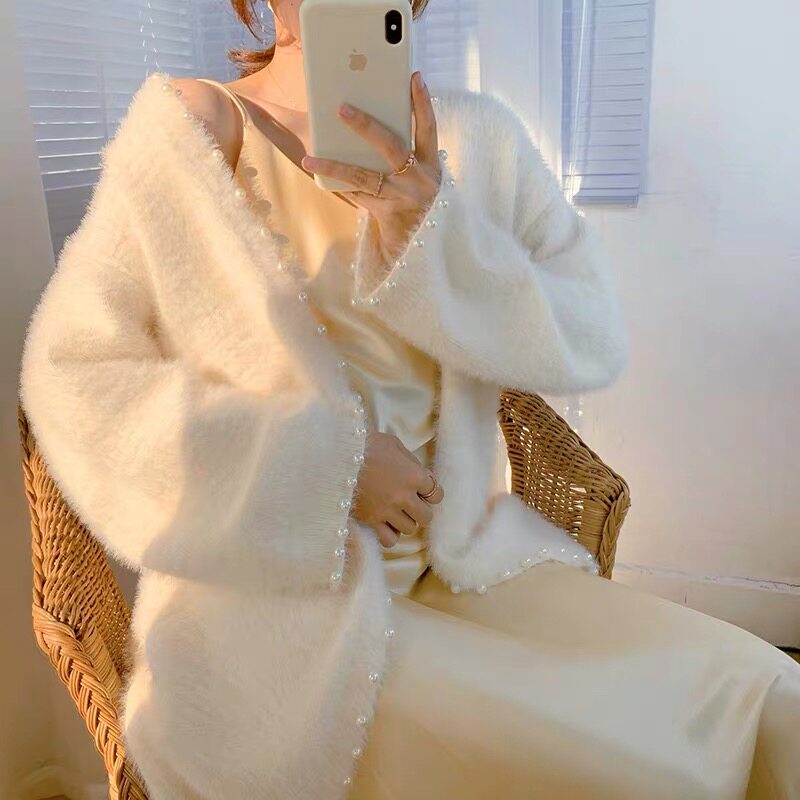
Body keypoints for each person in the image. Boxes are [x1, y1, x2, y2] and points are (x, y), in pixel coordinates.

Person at [18, 1, 799, 798]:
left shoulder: (479, 139)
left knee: (764, 694)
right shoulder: (197, 125)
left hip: (464, 566)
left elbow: (589, 330)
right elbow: (76, 370)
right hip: (284, 615)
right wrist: (329, 469)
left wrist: (436, 234)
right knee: (643, 767)